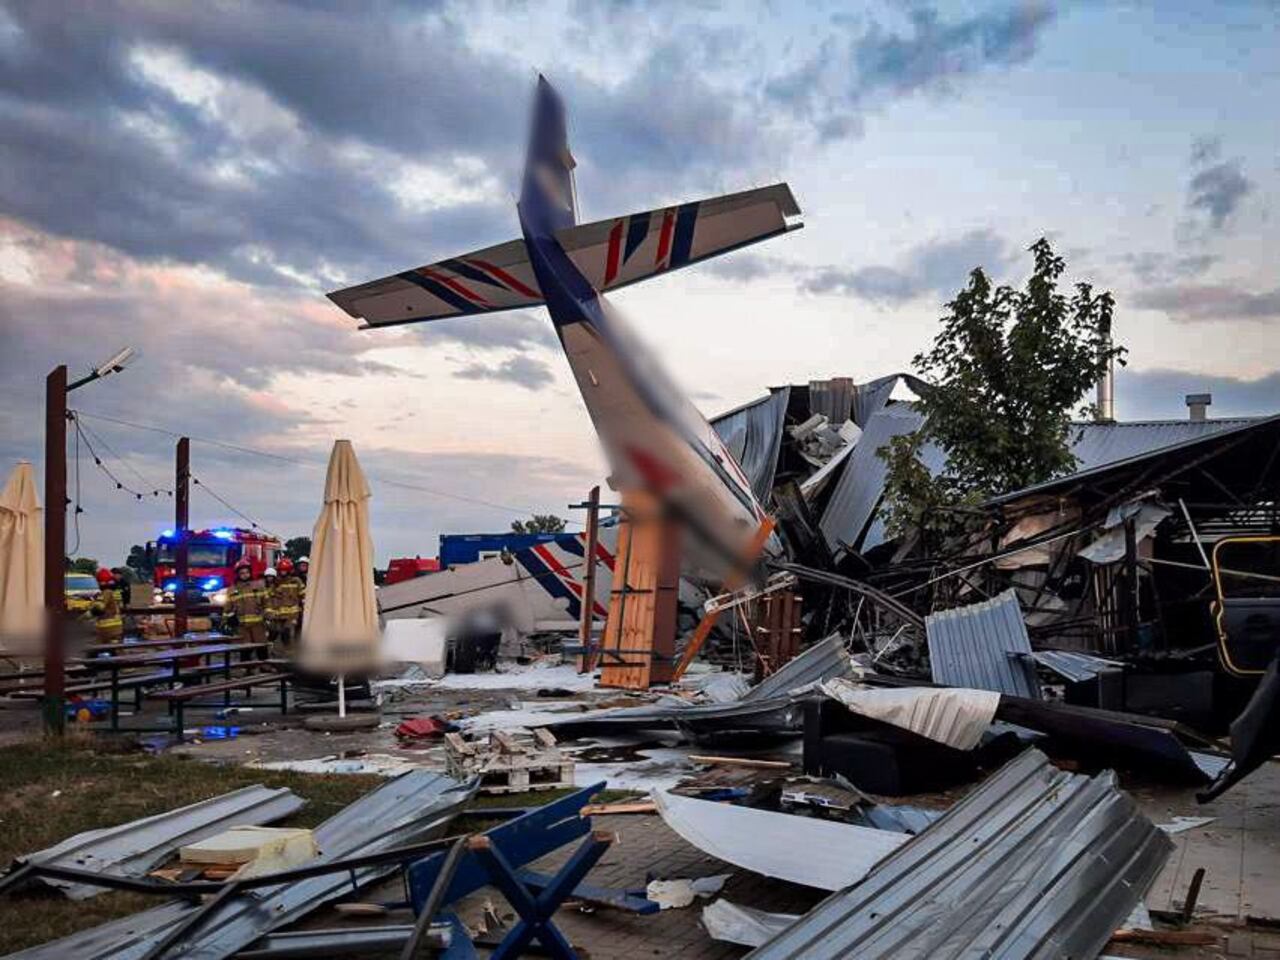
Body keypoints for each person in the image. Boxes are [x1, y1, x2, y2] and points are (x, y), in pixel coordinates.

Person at [226, 560, 269, 655]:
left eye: (247, 572)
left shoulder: (259, 586)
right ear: (238, 574)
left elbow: (267, 602)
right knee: (245, 648)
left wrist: (268, 616)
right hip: (242, 625)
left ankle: (265, 666)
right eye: (242, 573)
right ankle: (247, 668)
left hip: (258, 623)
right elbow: (228, 608)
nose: (245, 575)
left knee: (261, 646)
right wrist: (228, 620)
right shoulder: (232, 589)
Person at [91, 568, 124, 643]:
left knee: (95, 650)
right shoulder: (116, 592)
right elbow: (120, 605)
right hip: (117, 626)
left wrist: (83, 617)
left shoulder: (106, 592)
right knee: (116, 650)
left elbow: (99, 608)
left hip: (106, 627)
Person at [293, 556, 309, 631]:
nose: (303, 567)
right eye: (302, 565)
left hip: (308, 600)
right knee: (298, 621)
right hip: (298, 601)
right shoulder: (295, 576)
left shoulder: (311, 575)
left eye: (305, 565)